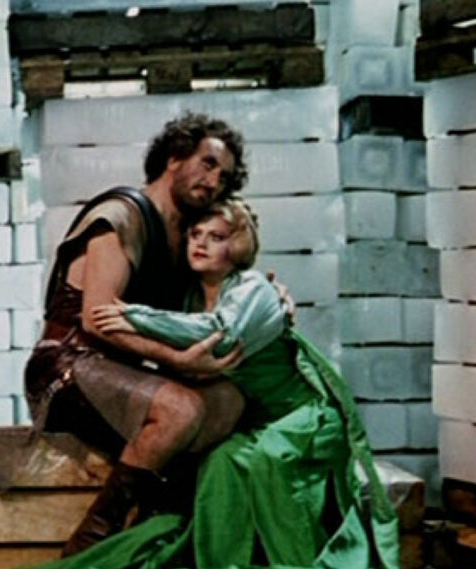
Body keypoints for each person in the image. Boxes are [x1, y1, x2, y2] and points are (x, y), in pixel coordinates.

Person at [37, 198, 400, 569]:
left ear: (238, 245)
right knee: (219, 464)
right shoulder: (188, 298)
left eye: (217, 237)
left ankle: (293, 560)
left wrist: (135, 317)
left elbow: (218, 334)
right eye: (196, 234)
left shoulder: (255, 289)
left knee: (269, 460)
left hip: (300, 415)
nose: (201, 243)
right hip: (252, 420)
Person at [24, 113, 253, 557]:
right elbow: (97, 320)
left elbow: (219, 288)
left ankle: (154, 522)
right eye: (207, 164)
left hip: (122, 373)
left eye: (223, 177)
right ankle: (91, 541)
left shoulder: (185, 236)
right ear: (174, 158)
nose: (213, 181)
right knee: (181, 409)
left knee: (230, 400)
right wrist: (178, 361)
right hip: (64, 367)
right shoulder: (121, 216)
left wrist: (267, 295)